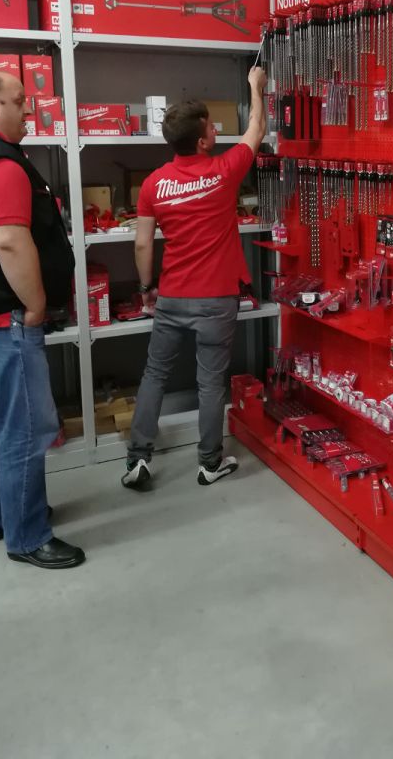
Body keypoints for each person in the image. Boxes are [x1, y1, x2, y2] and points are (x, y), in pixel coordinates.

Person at [123, 66, 268, 490]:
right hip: (217, 299)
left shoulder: (153, 184)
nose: (215, 129)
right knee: (210, 383)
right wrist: (255, 87)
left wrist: (146, 290)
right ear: (202, 140)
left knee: (155, 374)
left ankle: (138, 459)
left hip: (171, 296)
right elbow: (257, 129)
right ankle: (209, 463)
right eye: (211, 126)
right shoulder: (225, 170)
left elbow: (142, 244)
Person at [0, 72, 85, 569]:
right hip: (5, 320)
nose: (29, 112)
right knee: (23, 431)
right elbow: (9, 241)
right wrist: (35, 305)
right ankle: (28, 536)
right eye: (20, 102)